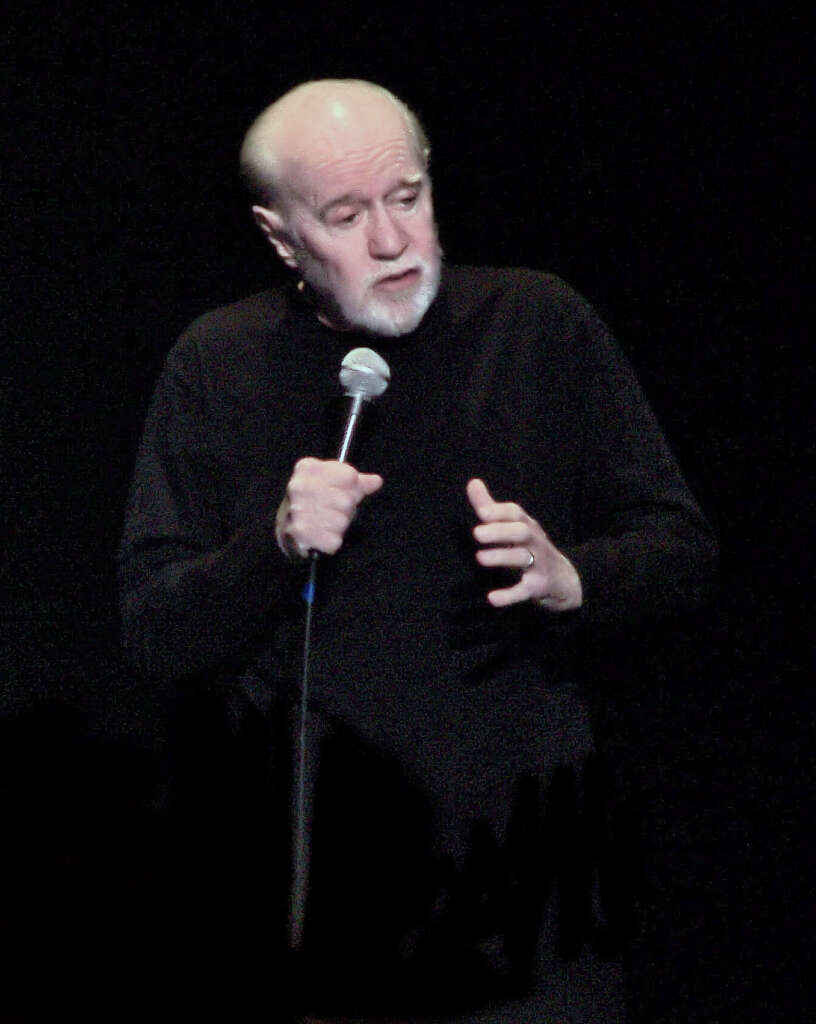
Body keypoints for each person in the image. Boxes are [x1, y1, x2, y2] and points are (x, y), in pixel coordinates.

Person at [119, 79, 717, 1021]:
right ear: (280, 237)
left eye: (407, 198)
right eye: (347, 216)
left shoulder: (535, 325)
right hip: (318, 878)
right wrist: (269, 548)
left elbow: (682, 549)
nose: (391, 242)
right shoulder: (217, 361)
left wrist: (574, 576)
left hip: (531, 876)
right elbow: (154, 633)